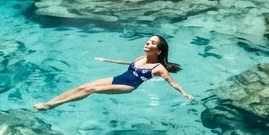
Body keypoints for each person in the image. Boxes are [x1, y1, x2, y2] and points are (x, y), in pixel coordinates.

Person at [33, 34, 191, 110]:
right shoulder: (140, 57)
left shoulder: (159, 68)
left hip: (128, 86)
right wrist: (107, 60)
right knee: (84, 86)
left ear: (158, 51)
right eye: (148, 41)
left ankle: (52, 105)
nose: (148, 43)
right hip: (118, 78)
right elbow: (128, 63)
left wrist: (184, 94)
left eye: (153, 43)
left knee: (91, 89)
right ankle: (50, 102)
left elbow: (172, 82)